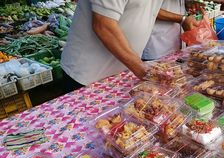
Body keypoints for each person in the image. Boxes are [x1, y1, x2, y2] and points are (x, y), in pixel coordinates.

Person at [61, 0, 200, 92]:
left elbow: (145, 7)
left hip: (122, 71)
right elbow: (103, 25)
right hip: (87, 76)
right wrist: (143, 69)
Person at [143, 0, 224, 61]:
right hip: (157, 45)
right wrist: (181, 19)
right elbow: (147, 9)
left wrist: (188, 3)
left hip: (174, 43)